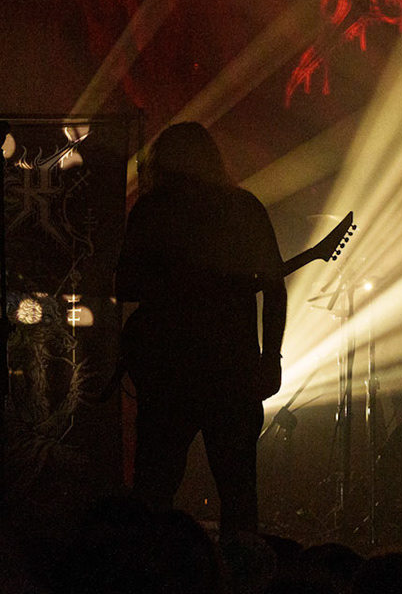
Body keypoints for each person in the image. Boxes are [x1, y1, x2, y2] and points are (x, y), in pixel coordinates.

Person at [116, 122, 286, 532]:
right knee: (238, 492)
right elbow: (274, 290)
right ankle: (241, 567)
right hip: (232, 370)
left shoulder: (152, 210)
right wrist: (269, 358)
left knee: (153, 490)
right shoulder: (243, 208)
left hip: (168, 371)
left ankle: (148, 564)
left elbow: (125, 287)